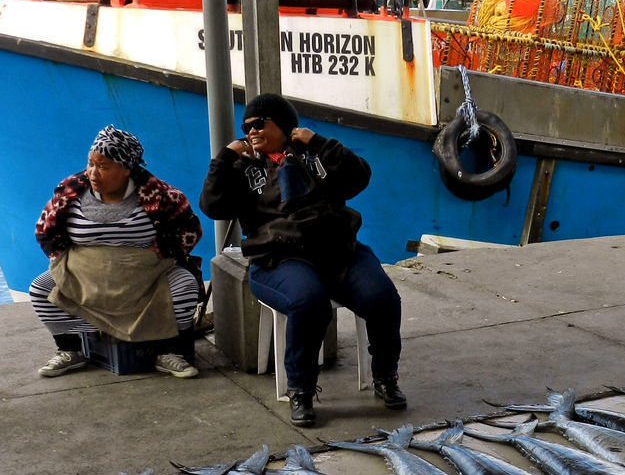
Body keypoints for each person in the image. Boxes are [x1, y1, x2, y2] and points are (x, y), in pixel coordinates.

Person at [199, 93, 406, 427]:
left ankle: (385, 376)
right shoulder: (243, 167)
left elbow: (358, 177)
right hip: (277, 258)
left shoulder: (314, 155)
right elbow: (212, 206)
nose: (249, 131)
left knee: (382, 297)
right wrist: (224, 158)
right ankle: (301, 390)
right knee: (309, 302)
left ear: (281, 124)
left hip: (337, 250)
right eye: (245, 127)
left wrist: (320, 143)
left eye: (258, 124)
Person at [30, 126, 203, 379]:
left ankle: (167, 351)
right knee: (40, 289)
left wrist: (163, 253)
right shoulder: (69, 191)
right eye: (91, 163)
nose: (92, 172)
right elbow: (45, 229)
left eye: (103, 166)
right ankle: (70, 349)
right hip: (84, 276)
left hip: (144, 279)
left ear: (126, 169)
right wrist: (62, 261)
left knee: (185, 286)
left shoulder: (160, 194)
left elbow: (189, 228)